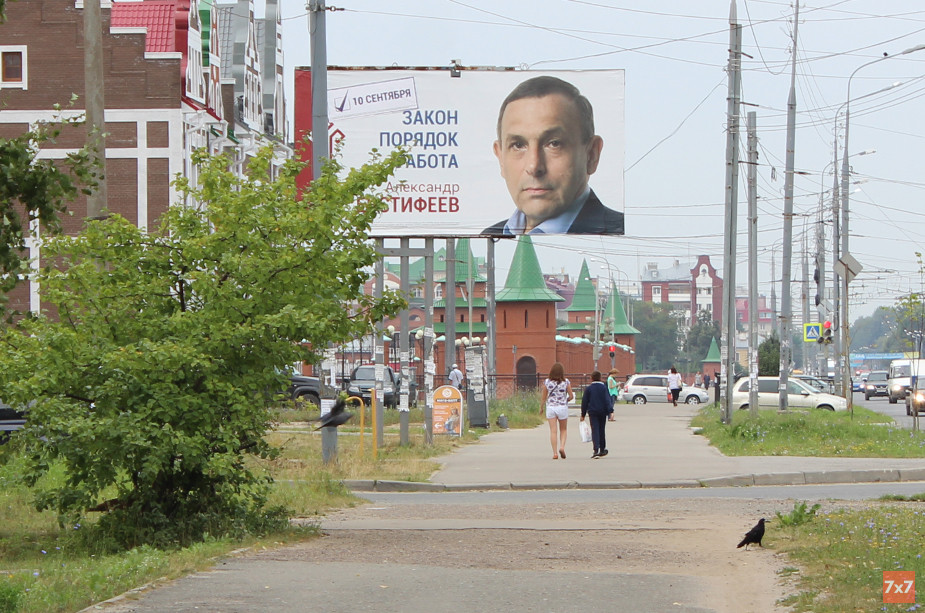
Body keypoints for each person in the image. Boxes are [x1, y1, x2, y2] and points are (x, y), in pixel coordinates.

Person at [482, 75, 624, 236]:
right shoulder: (489, 235)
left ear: (592, 155)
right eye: (518, 145)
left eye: (554, 144)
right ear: (500, 158)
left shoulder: (619, 232)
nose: (534, 166)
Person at [540, 361, 574, 459]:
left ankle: (555, 453)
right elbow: (571, 396)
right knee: (563, 429)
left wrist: (541, 407)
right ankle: (562, 447)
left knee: (553, 431)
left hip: (551, 407)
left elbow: (543, 397)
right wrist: (565, 400)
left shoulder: (547, 382)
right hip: (562, 407)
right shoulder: (566, 382)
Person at [581, 370, 613, 458]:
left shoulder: (589, 388)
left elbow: (584, 402)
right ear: (600, 378)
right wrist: (611, 411)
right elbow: (607, 399)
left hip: (593, 412)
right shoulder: (603, 388)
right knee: (601, 430)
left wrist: (583, 414)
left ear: (591, 378)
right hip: (603, 412)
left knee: (595, 429)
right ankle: (602, 449)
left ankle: (595, 449)